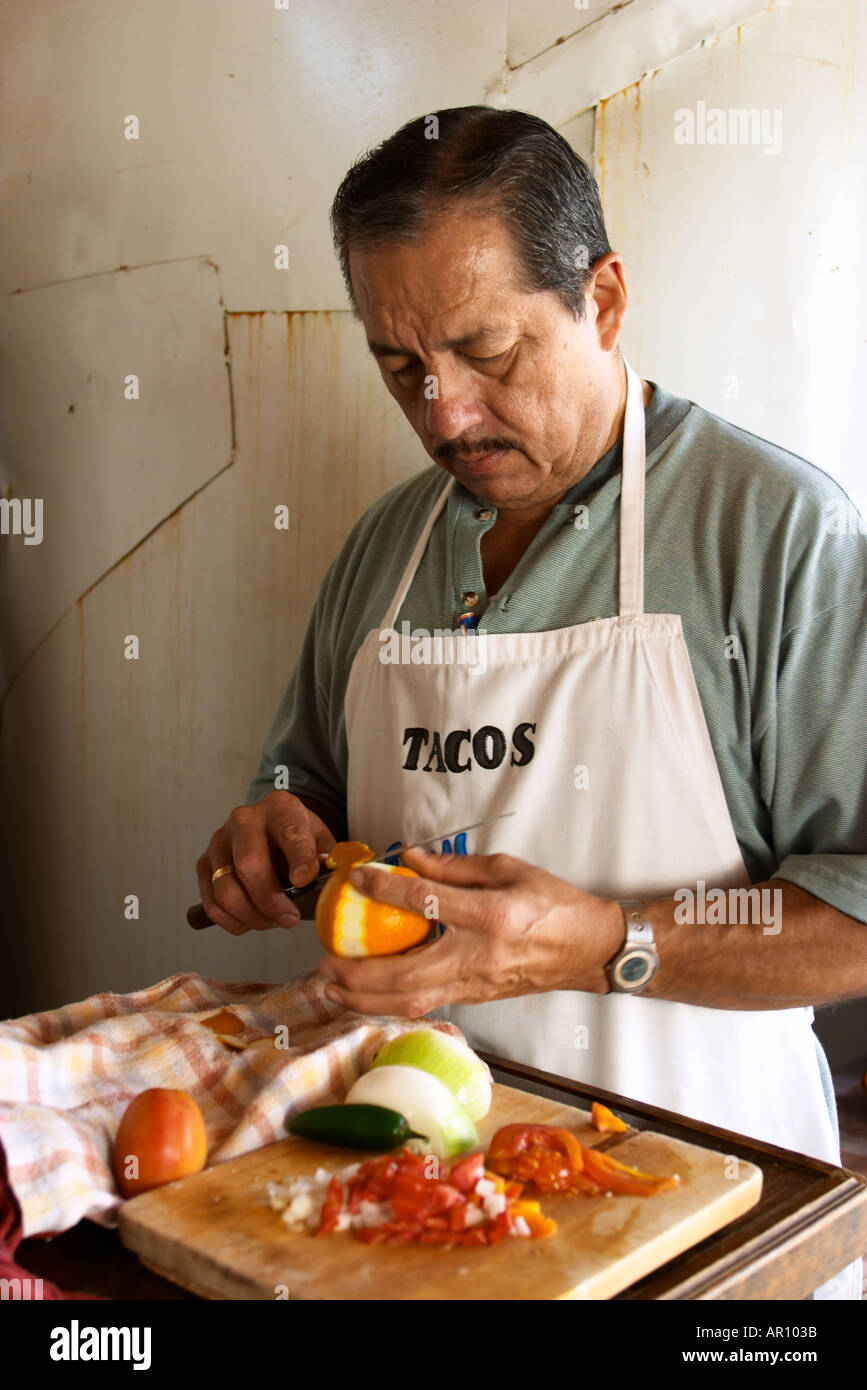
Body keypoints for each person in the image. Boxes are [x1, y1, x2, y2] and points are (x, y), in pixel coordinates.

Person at [196, 108, 867, 1298]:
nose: (443, 415)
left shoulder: (777, 534)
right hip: (425, 1208)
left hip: (701, 1215)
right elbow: (301, 784)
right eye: (402, 367)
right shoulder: (383, 550)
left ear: (602, 301)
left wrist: (610, 942)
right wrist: (273, 828)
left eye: (486, 351)